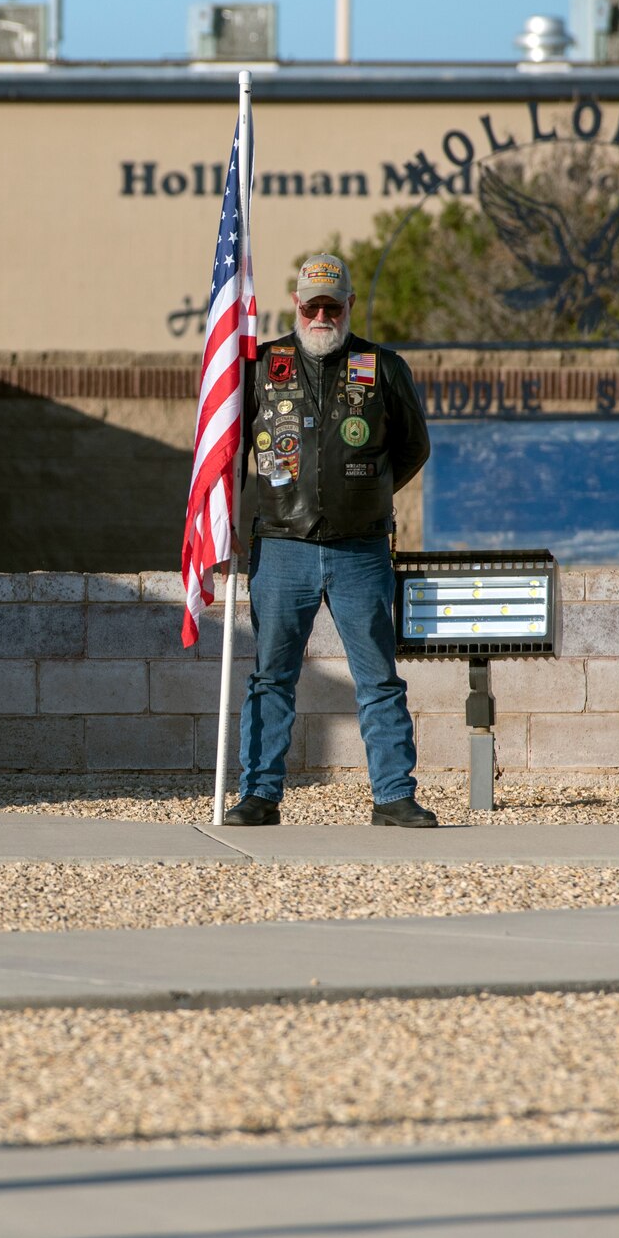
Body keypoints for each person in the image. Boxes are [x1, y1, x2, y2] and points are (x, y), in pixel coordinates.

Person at [223, 253, 436, 828]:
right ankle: (259, 796)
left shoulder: (383, 366)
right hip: (282, 546)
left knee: (378, 679)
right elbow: (229, 451)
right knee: (271, 678)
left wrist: (368, 491)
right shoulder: (262, 366)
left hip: (361, 550)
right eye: (312, 305)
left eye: (332, 306)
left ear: (348, 306)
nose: (322, 315)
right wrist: (222, 525)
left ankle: (393, 795)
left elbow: (414, 446)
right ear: (296, 305)